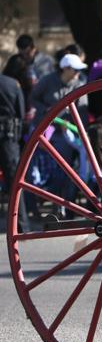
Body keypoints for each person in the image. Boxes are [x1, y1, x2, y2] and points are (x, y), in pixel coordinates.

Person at [0, 65, 30, 232]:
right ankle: (21, 224)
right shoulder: (13, 84)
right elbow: (21, 112)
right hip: (8, 138)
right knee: (15, 182)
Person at [29, 53, 88, 126]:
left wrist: (72, 123)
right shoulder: (47, 80)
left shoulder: (80, 86)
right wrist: (45, 109)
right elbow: (33, 98)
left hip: (67, 129)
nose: (79, 72)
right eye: (76, 69)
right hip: (43, 126)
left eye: (80, 70)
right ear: (65, 68)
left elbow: (82, 111)